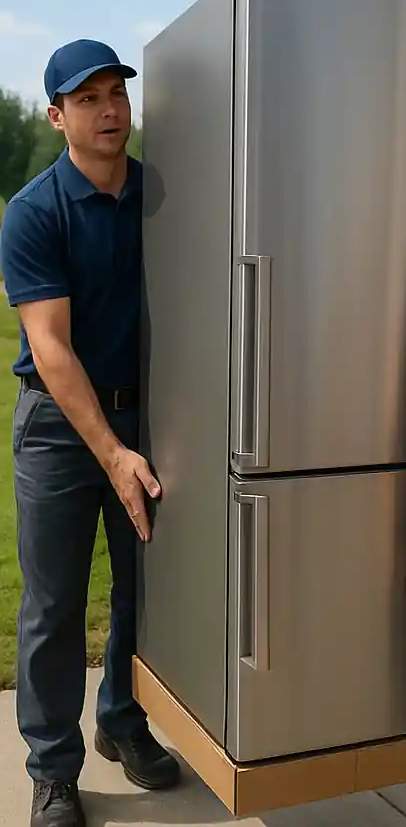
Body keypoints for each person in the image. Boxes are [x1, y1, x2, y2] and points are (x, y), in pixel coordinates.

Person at [1, 40, 180, 827]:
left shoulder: (165, 194)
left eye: (117, 94)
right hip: (59, 428)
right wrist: (110, 452)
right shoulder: (33, 212)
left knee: (147, 591)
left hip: (150, 415)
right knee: (55, 603)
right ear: (57, 115)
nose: (110, 111)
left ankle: (121, 720)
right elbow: (52, 348)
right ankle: (53, 769)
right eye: (88, 99)